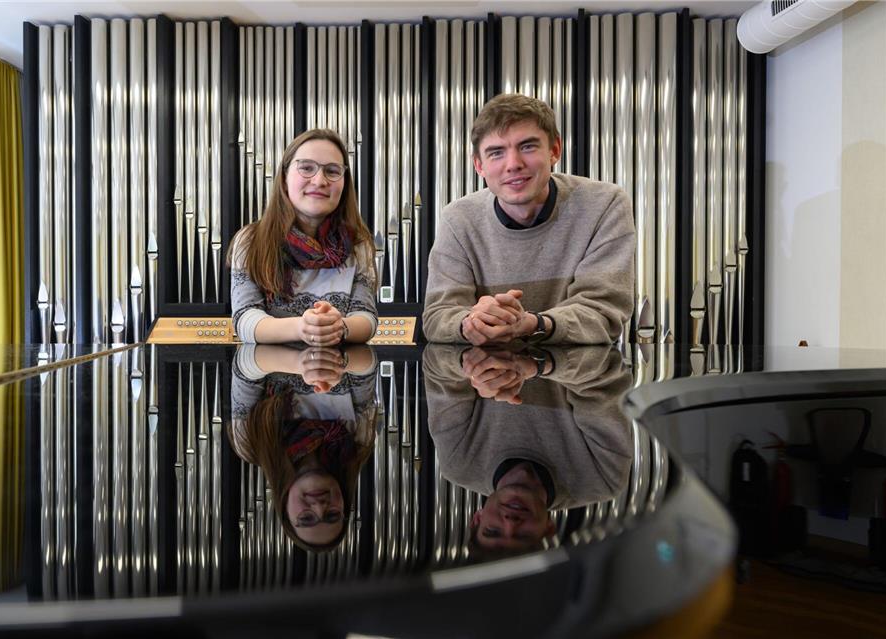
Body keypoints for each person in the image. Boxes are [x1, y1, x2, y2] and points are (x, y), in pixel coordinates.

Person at [422, 94, 635, 345]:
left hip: (575, 380)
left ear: (554, 150)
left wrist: (533, 324)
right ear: (479, 166)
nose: (513, 164)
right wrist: (471, 322)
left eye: (527, 147)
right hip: (485, 379)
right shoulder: (457, 219)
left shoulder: (604, 205)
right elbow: (437, 316)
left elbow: (603, 312)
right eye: (496, 152)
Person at [423, 343, 633, 555]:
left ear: (477, 518)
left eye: (492, 530)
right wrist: (536, 363)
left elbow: (440, 367)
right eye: (523, 536)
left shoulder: (458, 463)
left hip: (483, 324)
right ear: (549, 528)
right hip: (577, 326)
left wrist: (475, 358)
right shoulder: (601, 479)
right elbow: (603, 371)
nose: (510, 523)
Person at [228, 129, 377, 345]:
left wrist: (340, 326)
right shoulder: (251, 241)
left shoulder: (358, 244)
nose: (319, 180)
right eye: (307, 168)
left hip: (337, 372)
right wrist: (302, 327)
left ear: (344, 185)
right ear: (285, 178)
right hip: (270, 373)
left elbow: (367, 317)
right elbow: (245, 319)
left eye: (332, 171)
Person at [228, 343, 377, 551]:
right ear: (344, 505)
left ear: (284, 508)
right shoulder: (359, 437)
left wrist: (303, 362)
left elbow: (244, 365)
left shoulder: (249, 443)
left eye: (306, 518)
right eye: (332, 515)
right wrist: (339, 360)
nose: (319, 507)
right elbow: (368, 365)